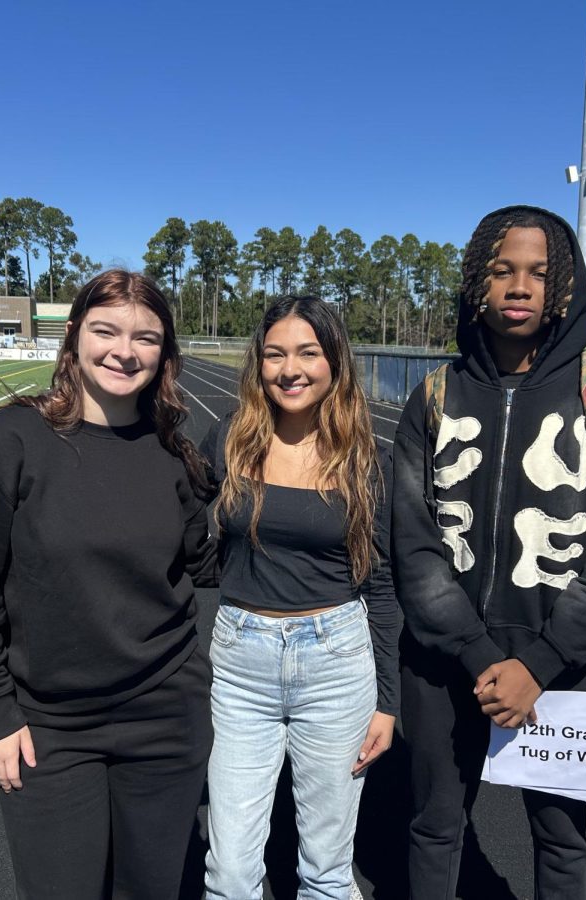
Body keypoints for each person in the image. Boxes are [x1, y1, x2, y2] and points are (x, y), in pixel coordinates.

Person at [391, 206, 586, 899]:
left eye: (539, 272)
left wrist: (537, 666)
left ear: (566, 288)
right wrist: (481, 659)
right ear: (478, 281)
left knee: (562, 841)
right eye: (502, 270)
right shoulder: (434, 397)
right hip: (447, 665)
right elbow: (414, 549)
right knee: (435, 827)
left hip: (560, 669)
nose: (520, 285)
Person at [0, 270, 218, 899]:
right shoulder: (11, 441)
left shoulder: (173, 452)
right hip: (49, 728)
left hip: (165, 719)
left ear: (164, 353)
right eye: (106, 330)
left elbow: (207, 564)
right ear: (73, 337)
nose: (125, 350)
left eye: (146, 337)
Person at [201, 296, 401, 899]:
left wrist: (387, 703)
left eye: (308, 353)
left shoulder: (367, 461)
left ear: (334, 360)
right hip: (241, 663)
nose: (290, 369)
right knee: (231, 870)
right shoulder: (229, 440)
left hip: (336, 665)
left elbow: (384, 586)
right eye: (275, 354)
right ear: (258, 365)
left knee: (325, 871)